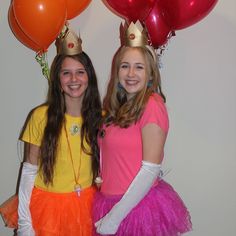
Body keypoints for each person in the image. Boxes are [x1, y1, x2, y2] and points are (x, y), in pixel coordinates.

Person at [93, 21, 192, 235]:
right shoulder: (114, 109)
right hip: (109, 204)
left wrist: (114, 219)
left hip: (135, 209)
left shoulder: (152, 105)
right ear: (117, 70)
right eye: (125, 66)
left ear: (150, 74)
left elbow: (150, 169)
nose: (131, 73)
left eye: (139, 67)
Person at [17, 26, 102, 235]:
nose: (74, 79)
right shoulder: (40, 117)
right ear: (58, 79)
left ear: (89, 77)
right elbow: (28, 171)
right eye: (66, 73)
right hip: (48, 210)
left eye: (80, 72)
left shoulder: (101, 118)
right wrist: (25, 223)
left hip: (87, 208)